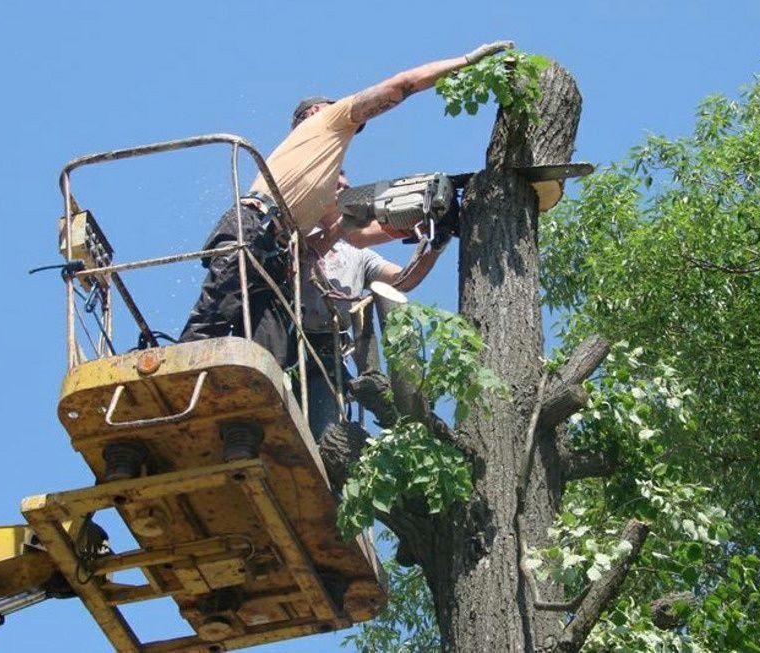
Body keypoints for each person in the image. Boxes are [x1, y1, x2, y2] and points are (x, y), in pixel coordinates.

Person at [178, 41, 512, 360]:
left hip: (274, 253)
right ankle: (176, 377)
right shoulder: (326, 121)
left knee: (269, 347)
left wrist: (427, 225)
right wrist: (469, 61)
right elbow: (402, 85)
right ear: (316, 110)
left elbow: (356, 234)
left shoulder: (322, 183)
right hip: (254, 227)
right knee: (214, 317)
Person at [299, 172, 447, 440]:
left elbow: (403, 279)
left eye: (347, 187)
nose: (343, 189)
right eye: (337, 185)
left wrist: (435, 245)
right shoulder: (298, 229)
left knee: (326, 436)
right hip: (292, 344)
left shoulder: (358, 253)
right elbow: (302, 256)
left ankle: (381, 389)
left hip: (328, 355)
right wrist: (343, 227)